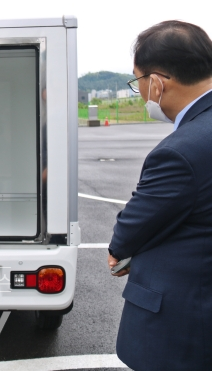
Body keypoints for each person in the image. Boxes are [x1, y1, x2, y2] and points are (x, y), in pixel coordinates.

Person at [109, 20, 212, 370]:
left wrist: (118, 251)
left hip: (186, 327)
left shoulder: (181, 150)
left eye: (137, 81)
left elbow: (132, 227)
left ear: (155, 83)